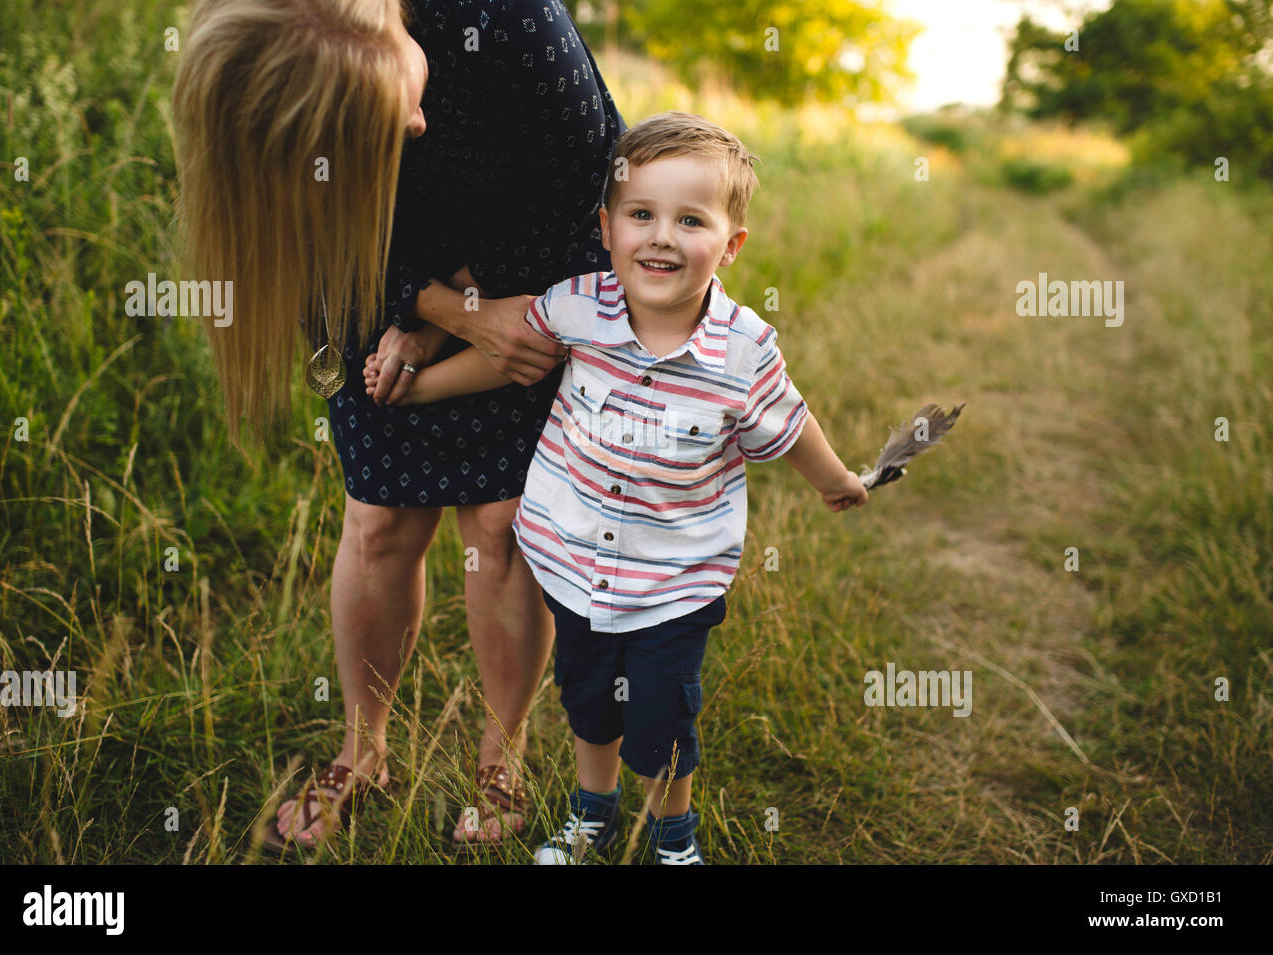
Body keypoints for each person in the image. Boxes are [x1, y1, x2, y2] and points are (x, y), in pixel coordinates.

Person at [171, 0, 624, 851]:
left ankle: (503, 750)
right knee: (378, 520)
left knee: (500, 522)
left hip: (530, 266)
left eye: (402, 97)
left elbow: (584, 195)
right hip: (365, 266)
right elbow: (307, 225)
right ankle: (362, 749)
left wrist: (460, 321)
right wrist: (426, 306)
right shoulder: (270, 62)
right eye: (381, 123)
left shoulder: (515, 24)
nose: (418, 121)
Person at [364, 111, 869, 864]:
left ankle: (672, 835)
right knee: (589, 702)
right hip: (574, 569)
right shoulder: (580, 307)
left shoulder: (743, 350)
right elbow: (507, 356)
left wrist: (837, 482)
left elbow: (790, 426)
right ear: (607, 227)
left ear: (730, 245)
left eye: (690, 220)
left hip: (674, 581)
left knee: (662, 717)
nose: (662, 236)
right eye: (642, 214)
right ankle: (592, 813)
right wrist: (421, 386)